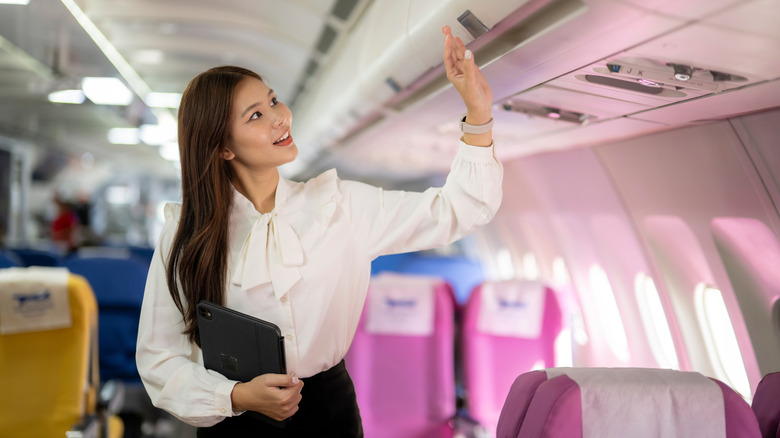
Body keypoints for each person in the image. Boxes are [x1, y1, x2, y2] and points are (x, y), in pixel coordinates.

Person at [136, 26, 503, 437]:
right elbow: (159, 359)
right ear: (223, 147)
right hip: (235, 422)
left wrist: (478, 112)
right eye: (256, 115)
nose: (279, 117)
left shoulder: (339, 207)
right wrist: (237, 396)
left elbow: (460, 209)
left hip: (329, 413)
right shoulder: (187, 234)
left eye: (273, 100)